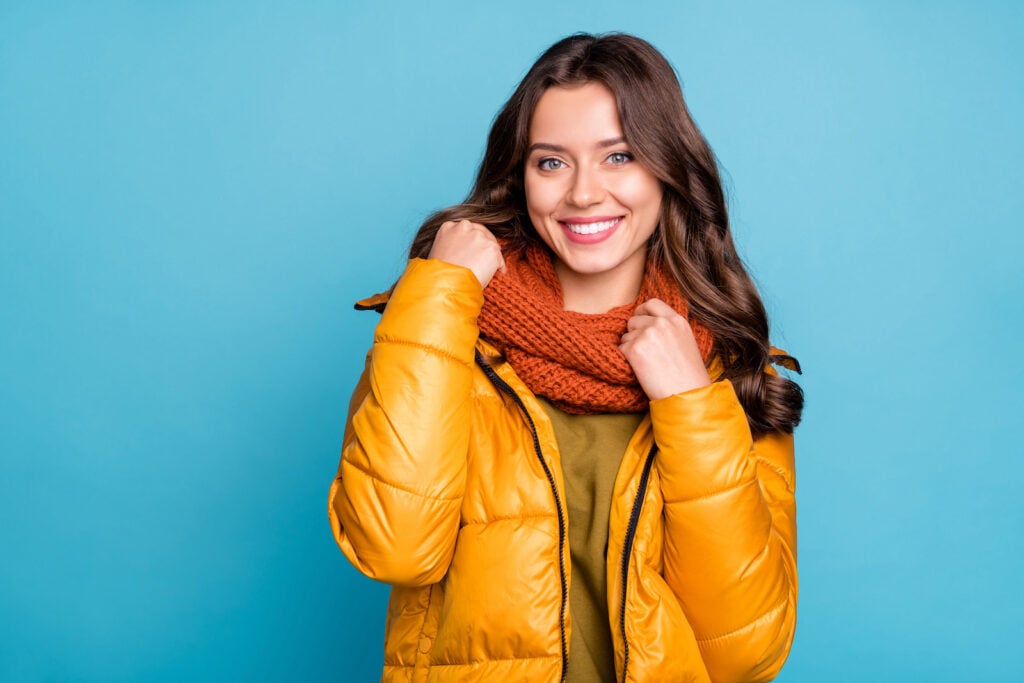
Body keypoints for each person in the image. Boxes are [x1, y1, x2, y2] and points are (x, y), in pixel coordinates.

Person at [328, 32, 804, 683]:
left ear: (666, 169)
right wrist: (439, 295)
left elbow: (747, 650)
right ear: (519, 177)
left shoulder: (730, 371)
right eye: (552, 162)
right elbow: (394, 545)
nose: (582, 194)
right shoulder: (442, 332)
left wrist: (690, 404)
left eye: (618, 156)